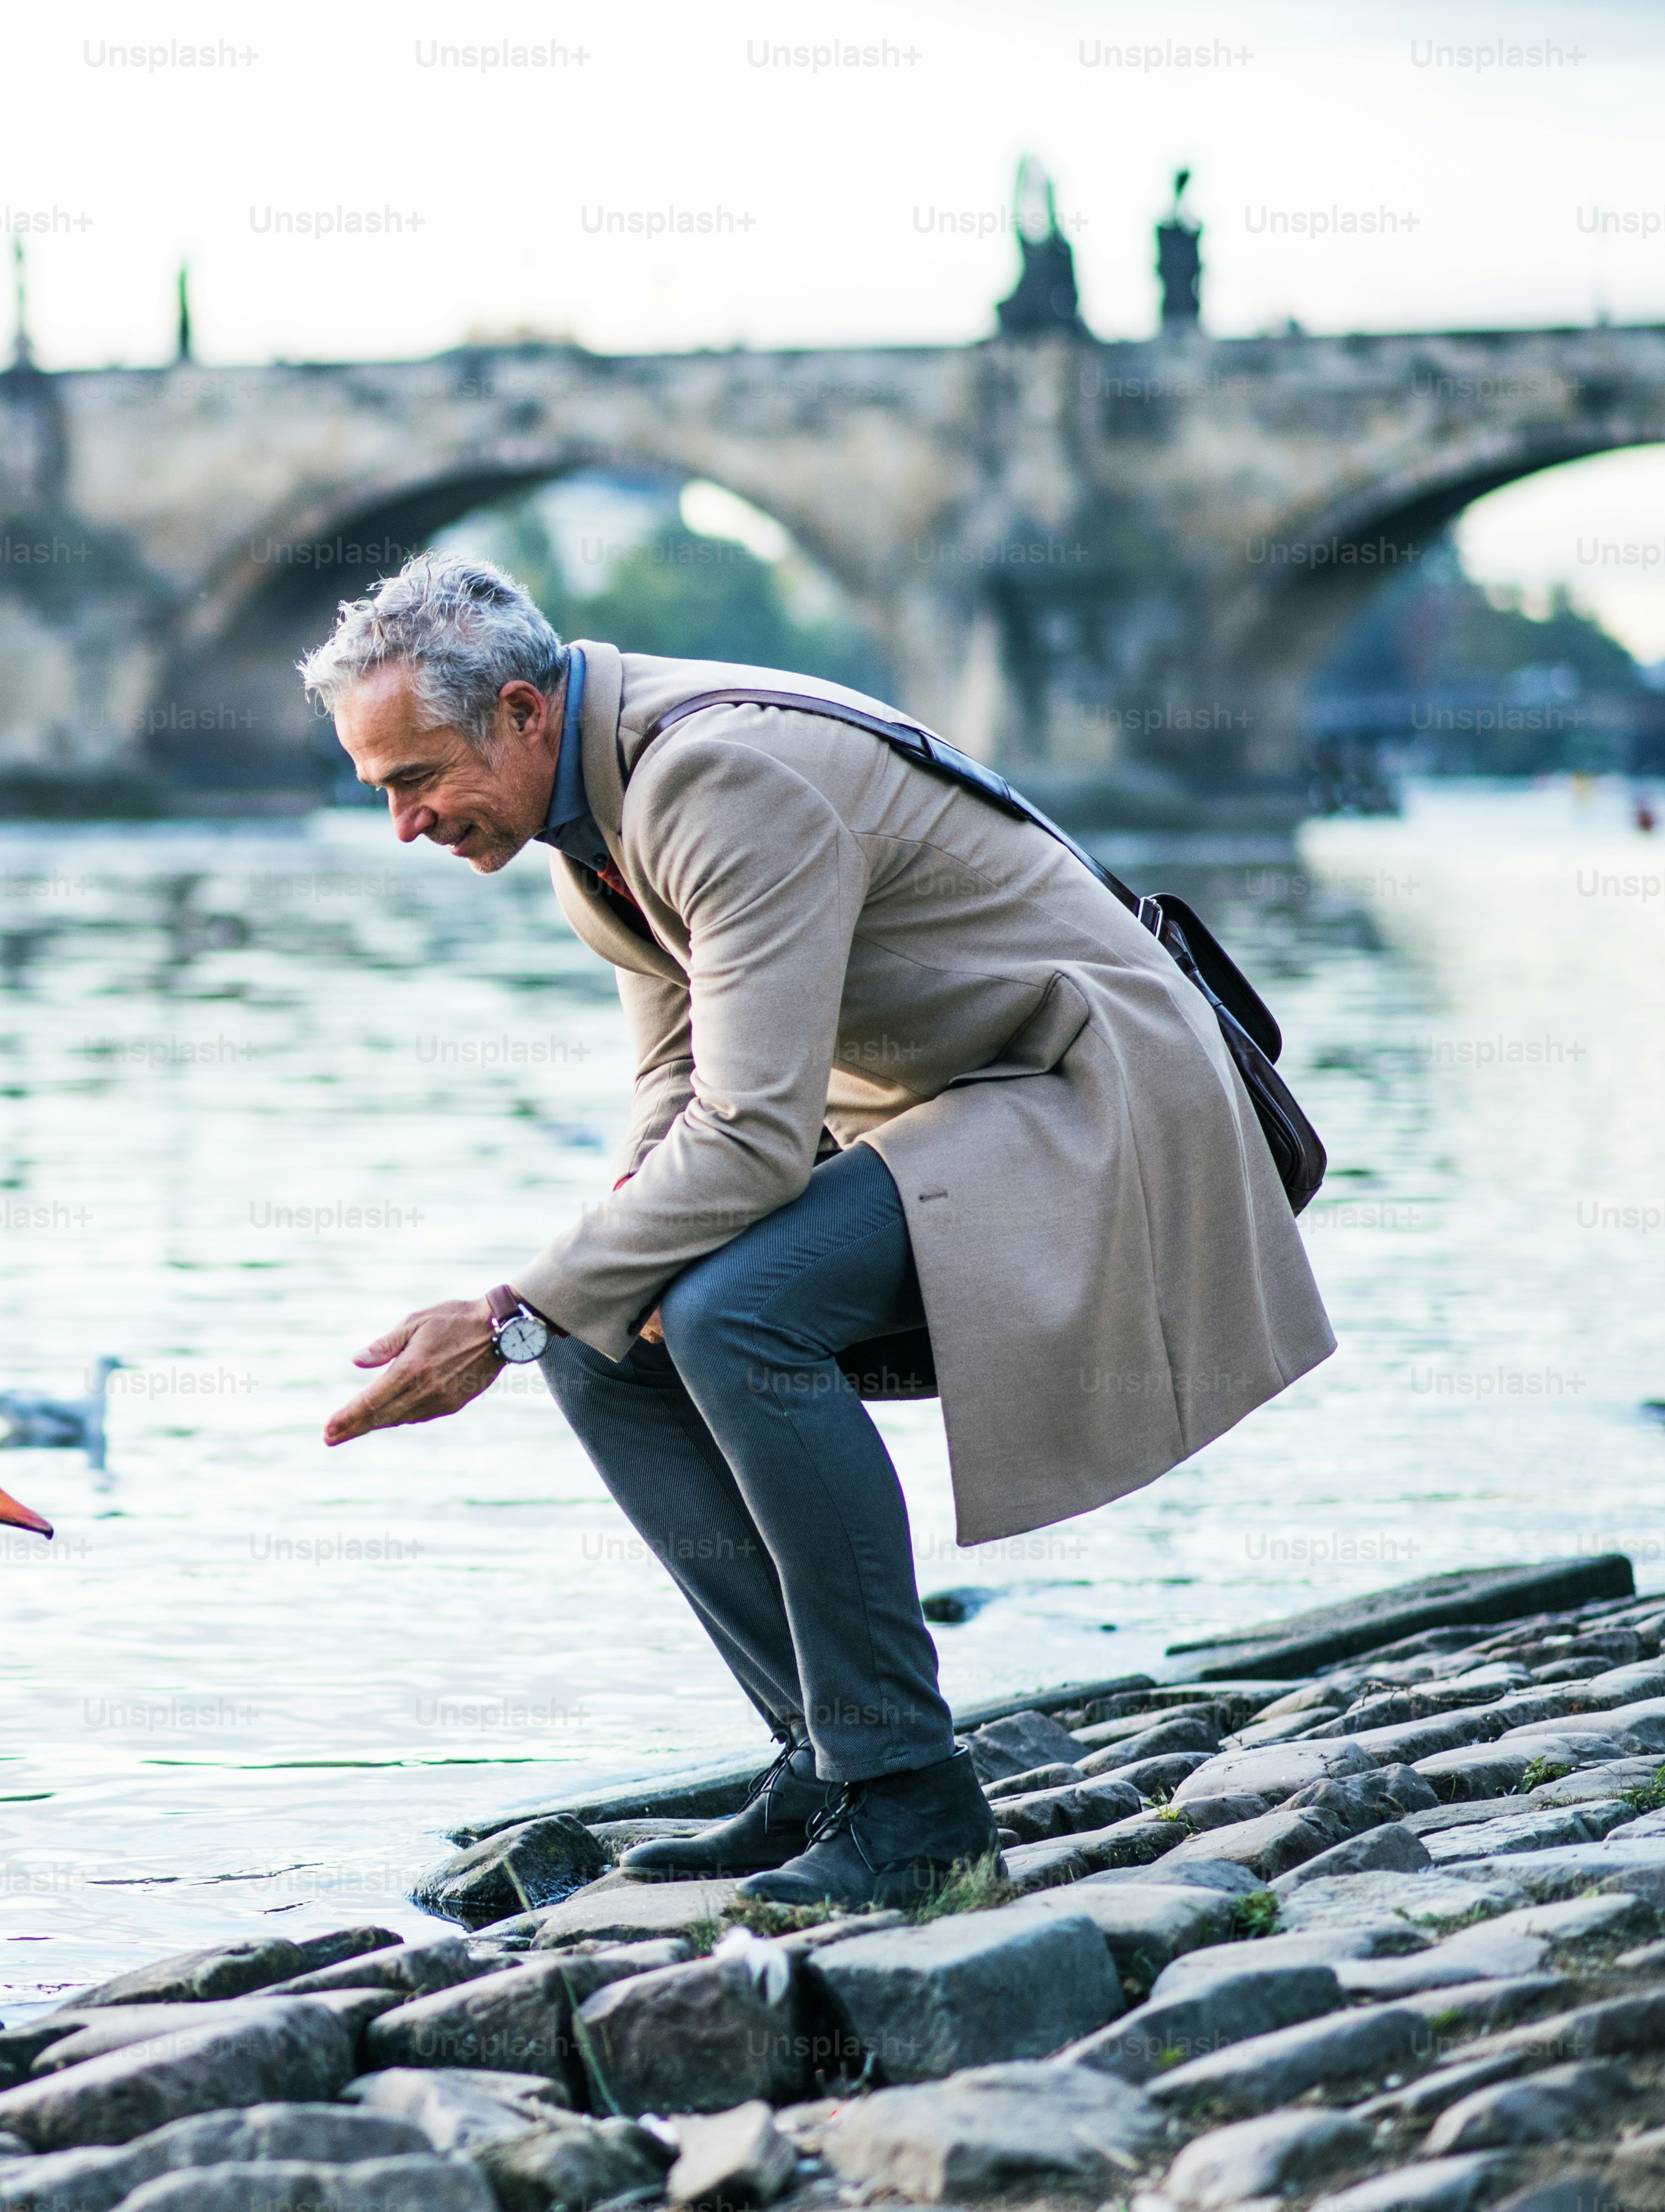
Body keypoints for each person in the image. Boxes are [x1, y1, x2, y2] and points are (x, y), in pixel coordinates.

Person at [305, 553, 1332, 1910]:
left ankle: (914, 1807)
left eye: (414, 777)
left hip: (1109, 1099)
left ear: (519, 712)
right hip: (976, 1106)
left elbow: (750, 1134)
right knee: (609, 1339)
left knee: (734, 1308)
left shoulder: (712, 777)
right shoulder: (589, 828)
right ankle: (826, 1754)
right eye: (379, 788)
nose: (401, 820)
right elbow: (677, 1096)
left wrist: (510, 1310)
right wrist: (573, 1299)